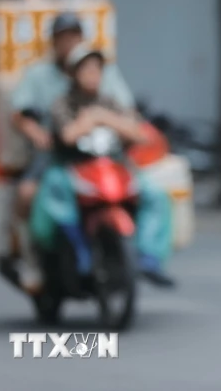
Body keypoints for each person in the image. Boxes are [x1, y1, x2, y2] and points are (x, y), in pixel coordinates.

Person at [30, 43, 175, 287]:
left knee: (154, 195)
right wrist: (93, 121)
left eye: (96, 69)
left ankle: (149, 257)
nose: (92, 75)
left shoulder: (110, 102)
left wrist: (101, 117)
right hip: (72, 167)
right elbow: (68, 136)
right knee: (56, 192)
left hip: (111, 168)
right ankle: (79, 250)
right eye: (85, 69)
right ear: (73, 74)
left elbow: (140, 134)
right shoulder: (63, 103)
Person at [9, 12, 135, 292]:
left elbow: (130, 116)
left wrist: (107, 120)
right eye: (63, 38)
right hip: (59, 152)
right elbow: (31, 119)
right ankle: (34, 262)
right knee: (31, 193)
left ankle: (134, 256)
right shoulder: (53, 91)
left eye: (74, 37)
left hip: (101, 152)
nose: (91, 75)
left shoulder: (104, 82)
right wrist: (42, 134)